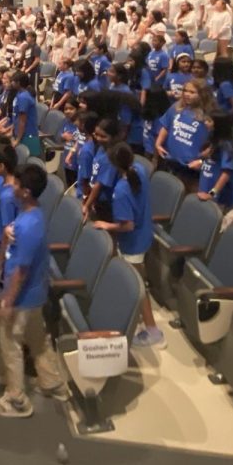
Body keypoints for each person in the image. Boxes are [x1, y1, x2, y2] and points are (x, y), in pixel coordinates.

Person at [0, 163, 69, 417]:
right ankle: (53, 382)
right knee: (38, 339)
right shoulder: (31, 215)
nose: (11, 186)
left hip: (23, 297)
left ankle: (16, 399)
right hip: (35, 296)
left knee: (10, 343)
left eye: (16, 184)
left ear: (25, 191)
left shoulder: (28, 226)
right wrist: (3, 242)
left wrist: (7, 301)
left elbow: (21, 271)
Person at [91, 142, 165, 348]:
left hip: (133, 241)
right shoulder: (139, 169)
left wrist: (106, 224)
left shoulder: (122, 190)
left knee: (138, 288)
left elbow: (127, 225)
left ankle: (153, 332)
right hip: (143, 235)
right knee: (137, 283)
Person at [155, 80, 214, 193]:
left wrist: (202, 162)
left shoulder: (209, 116)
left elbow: (216, 144)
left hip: (190, 168)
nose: (187, 94)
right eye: (185, 90)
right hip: (170, 161)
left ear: (202, 94)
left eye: (192, 92)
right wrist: (158, 143)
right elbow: (166, 125)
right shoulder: (176, 107)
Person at [197, 113, 233, 208]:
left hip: (219, 198)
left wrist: (212, 194)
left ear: (218, 125)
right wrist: (201, 159)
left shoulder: (227, 146)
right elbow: (210, 160)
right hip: (205, 186)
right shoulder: (213, 138)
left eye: (209, 121)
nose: (205, 123)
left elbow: (226, 173)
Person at [9, 71, 42, 157]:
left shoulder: (24, 97)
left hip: (28, 135)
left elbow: (22, 121)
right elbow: (16, 116)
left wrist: (18, 140)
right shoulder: (19, 94)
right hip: (21, 133)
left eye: (13, 81)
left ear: (18, 83)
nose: (11, 83)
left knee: (31, 163)